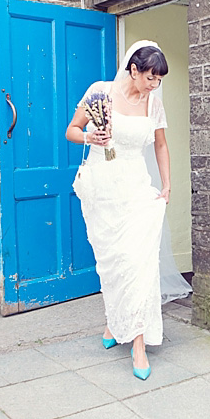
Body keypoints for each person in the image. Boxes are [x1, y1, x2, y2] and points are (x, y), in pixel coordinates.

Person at [65, 40, 172, 381]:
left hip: (137, 186)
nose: (154, 85)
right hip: (104, 186)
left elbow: (160, 144)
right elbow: (71, 130)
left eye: (158, 80)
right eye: (150, 78)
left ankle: (138, 343)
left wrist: (166, 185)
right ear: (133, 70)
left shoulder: (153, 104)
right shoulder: (101, 92)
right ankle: (115, 321)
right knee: (112, 263)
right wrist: (89, 138)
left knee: (138, 261)